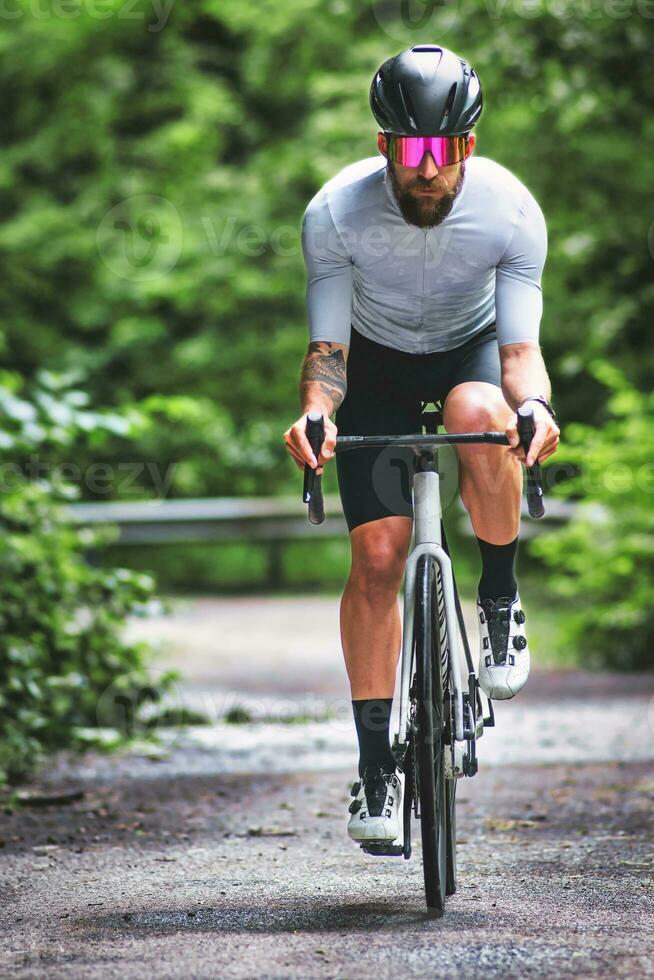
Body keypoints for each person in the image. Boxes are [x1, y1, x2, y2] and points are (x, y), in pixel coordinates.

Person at [284, 44, 560, 845]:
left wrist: (534, 407)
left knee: (486, 409)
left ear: (468, 145)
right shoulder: (334, 214)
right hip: (374, 366)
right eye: (412, 150)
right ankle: (376, 770)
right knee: (376, 559)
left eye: (443, 150)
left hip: (474, 355)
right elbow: (328, 354)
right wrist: (315, 414)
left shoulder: (510, 211)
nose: (428, 169)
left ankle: (500, 596)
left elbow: (518, 356)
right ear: (384, 148)